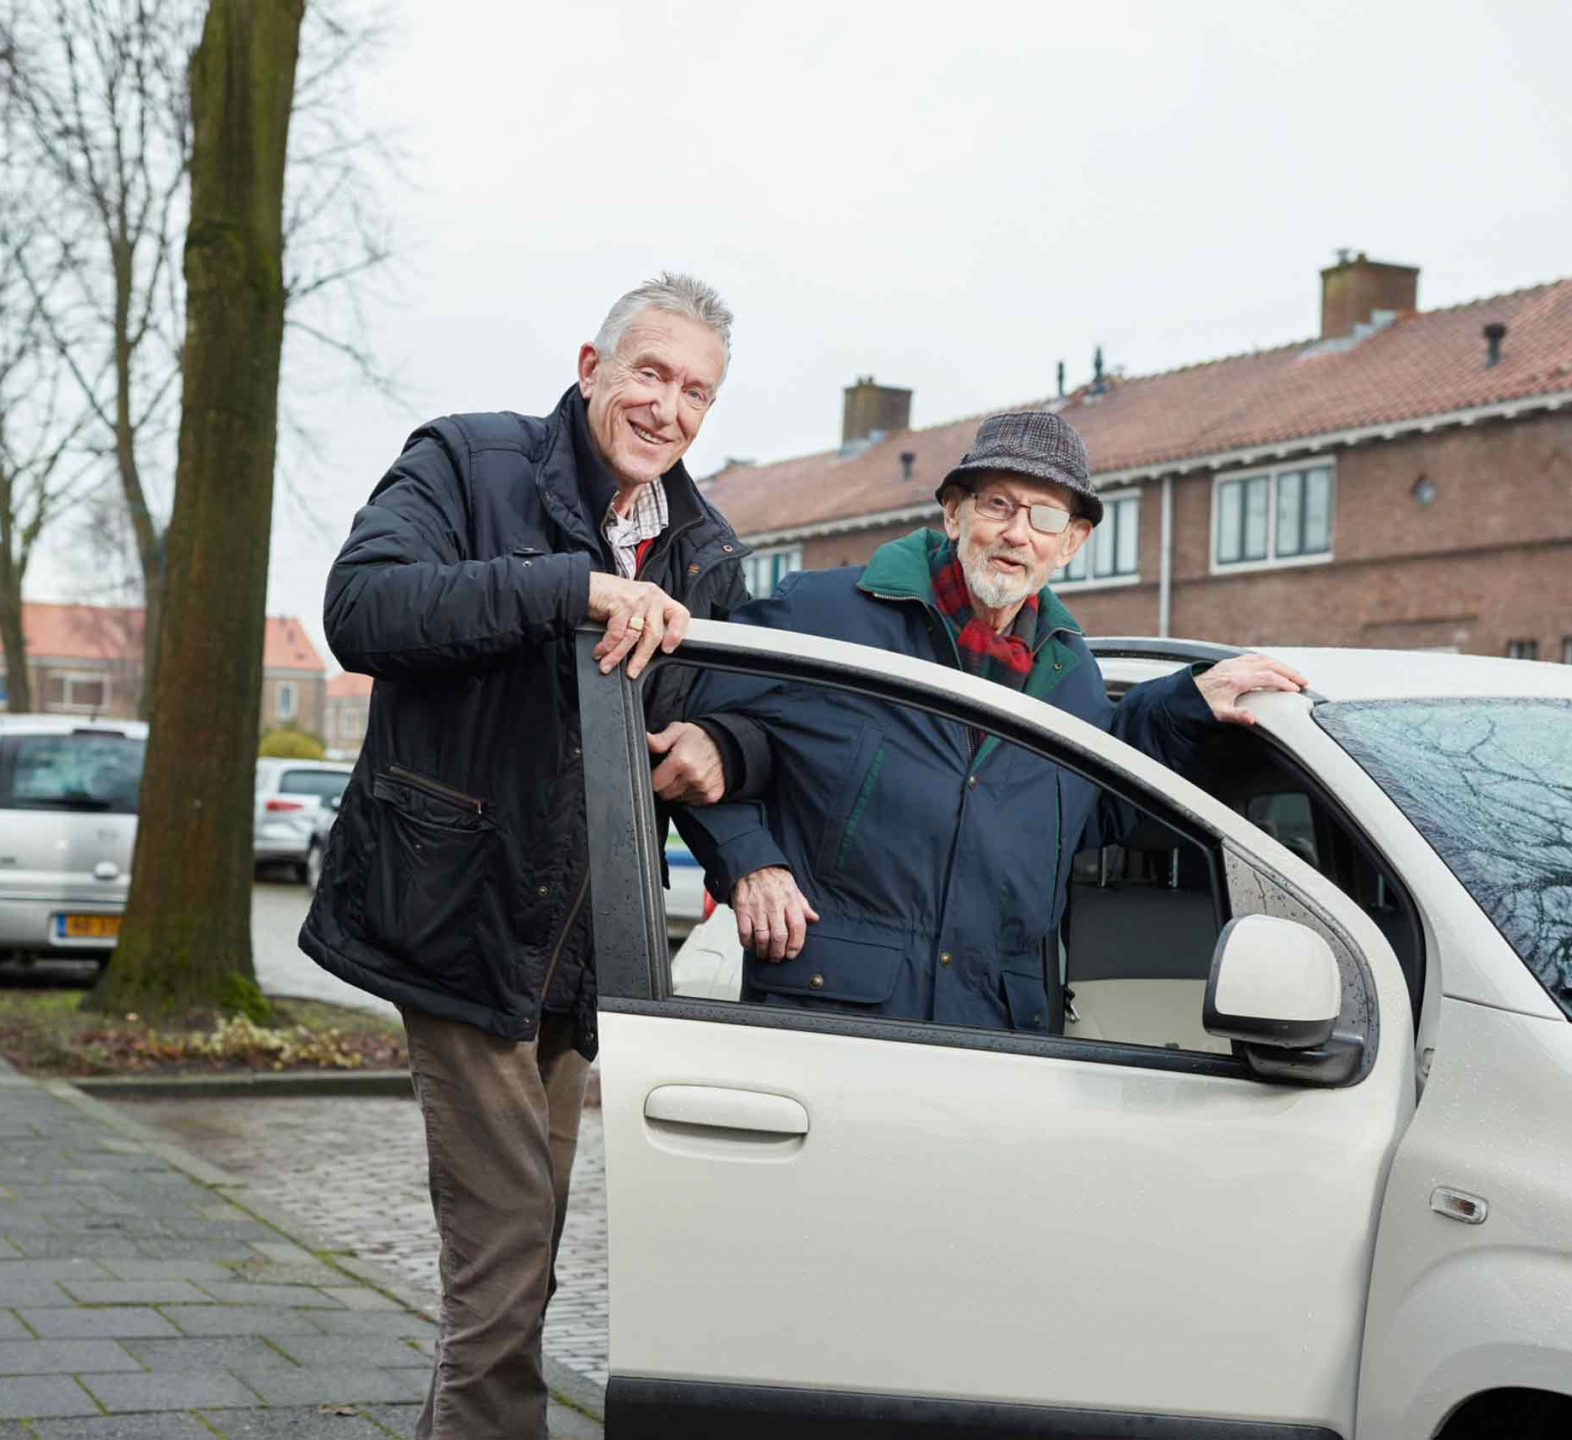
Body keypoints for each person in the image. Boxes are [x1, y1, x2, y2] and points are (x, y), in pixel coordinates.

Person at [300, 273, 767, 1439]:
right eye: (649, 374)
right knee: (506, 1245)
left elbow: (738, 711)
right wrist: (571, 587)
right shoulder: (468, 463)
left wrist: (720, 746)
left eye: (695, 391)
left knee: (529, 1237)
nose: (666, 408)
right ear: (590, 366)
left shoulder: (705, 553)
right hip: (455, 912)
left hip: (579, 944)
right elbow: (363, 608)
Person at [677, 409, 1308, 1028]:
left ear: (1072, 542)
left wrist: (1183, 707)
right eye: (998, 505)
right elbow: (686, 725)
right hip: (834, 1021)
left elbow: (1095, 808)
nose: (1017, 533)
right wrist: (749, 862)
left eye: (1046, 515)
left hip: (995, 1041)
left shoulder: (1073, 680)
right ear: (954, 513)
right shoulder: (825, 614)